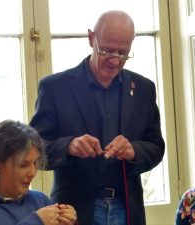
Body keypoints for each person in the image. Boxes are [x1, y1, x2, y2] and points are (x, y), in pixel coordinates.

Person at [29, 10, 165, 225]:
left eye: (123, 53)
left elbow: (156, 147)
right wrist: (69, 146)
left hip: (127, 208)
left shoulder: (143, 89)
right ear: (91, 38)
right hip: (73, 210)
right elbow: (34, 150)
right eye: (107, 50)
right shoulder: (55, 88)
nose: (114, 60)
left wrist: (133, 151)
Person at [0, 120, 77, 225]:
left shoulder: (40, 200)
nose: (33, 173)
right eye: (24, 165)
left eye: (35, 163)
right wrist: (36, 222)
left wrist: (67, 221)